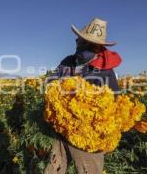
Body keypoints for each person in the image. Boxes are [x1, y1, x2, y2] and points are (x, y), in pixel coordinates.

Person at [44, 17, 122, 174]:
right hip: (62, 130)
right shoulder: (68, 61)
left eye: (80, 40)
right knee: (55, 167)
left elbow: (115, 104)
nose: (77, 42)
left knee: (89, 170)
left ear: (93, 45)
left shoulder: (105, 69)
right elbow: (52, 80)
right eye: (78, 39)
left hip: (89, 137)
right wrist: (53, 89)